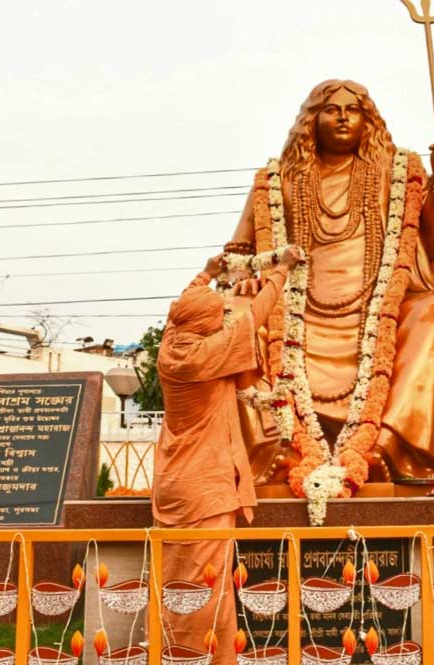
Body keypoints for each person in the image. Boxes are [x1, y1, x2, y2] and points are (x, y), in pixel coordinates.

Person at [226, 79, 434, 484]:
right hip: (294, 318)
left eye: (353, 110)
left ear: (368, 120)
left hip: (378, 314)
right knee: (234, 319)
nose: (343, 117)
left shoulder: (394, 172)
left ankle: (391, 448)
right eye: (331, 109)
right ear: (311, 120)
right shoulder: (279, 180)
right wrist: (242, 281)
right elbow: (238, 254)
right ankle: (276, 448)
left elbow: (426, 242)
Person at [153, 246, 302, 664]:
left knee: (178, 583)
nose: (224, 319)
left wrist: (204, 274)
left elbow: (179, 310)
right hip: (206, 486)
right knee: (206, 588)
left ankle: (174, 654)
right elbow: (254, 316)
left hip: (174, 483)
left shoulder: (171, 347)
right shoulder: (206, 355)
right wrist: (282, 271)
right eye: (218, 316)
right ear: (206, 326)